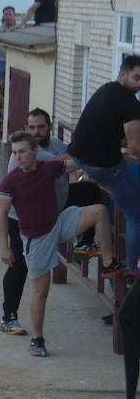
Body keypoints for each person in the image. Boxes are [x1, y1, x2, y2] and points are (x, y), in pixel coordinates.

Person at [0, 131, 123, 357]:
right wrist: (4, 247)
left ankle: (108, 261)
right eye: (15, 153)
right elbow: (2, 213)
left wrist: (105, 150)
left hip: (59, 222)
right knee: (41, 292)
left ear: (35, 152)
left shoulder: (48, 167)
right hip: (37, 239)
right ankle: (38, 339)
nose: (18, 157)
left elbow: (76, 165)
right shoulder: (10, 181)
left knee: (99, 211)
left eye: (23, 152)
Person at [0, 108, 69, 336]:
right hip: (22, 221)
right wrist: (4, 245)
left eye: (40, 127)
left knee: (89, 194)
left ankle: (89, 241)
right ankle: (9, 317)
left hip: (52, 216)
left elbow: (74, 164)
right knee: (18, 266)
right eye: (31, 127)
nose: (36, 131)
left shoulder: (58, 146)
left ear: (49, 127)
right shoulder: (19, 155)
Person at [66, 55, 140, 269]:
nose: (139, 84)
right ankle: (131, 270)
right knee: (135, 214)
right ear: (124, 74)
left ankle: (83, 239)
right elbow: (135, 146)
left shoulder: (106, 89)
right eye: (137, 78)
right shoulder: (130, 103)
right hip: (103, 168)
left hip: (80, 157)